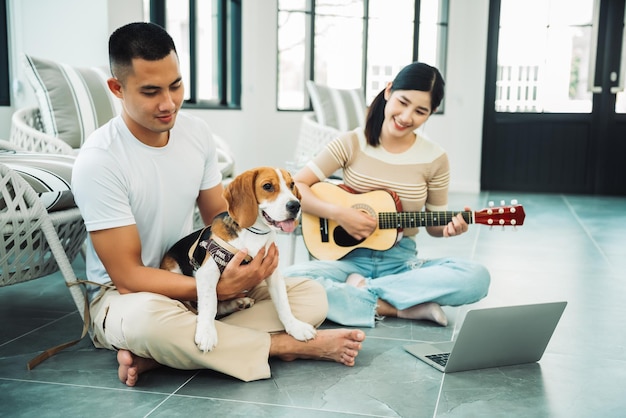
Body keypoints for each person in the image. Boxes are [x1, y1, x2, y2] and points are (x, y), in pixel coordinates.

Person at [71, 22, 364, 387]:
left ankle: (166, 357)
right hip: (130, 298)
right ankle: (279, 345)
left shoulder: (195, 133)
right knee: (149, 323)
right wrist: (216, 290)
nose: (168, 103)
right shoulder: (100, 160)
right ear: (117, 88)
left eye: (176, 85)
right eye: (150, 91)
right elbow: (128, 278)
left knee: (311, 296)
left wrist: (247, 269)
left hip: (200, 273)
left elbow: (220, 223)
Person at [283, 62, 490, 328]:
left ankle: (362, 293)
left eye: (420, 111)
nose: (406, 117)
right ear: (389, 90)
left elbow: (435, 225)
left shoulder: (435, 158)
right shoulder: (352, 142)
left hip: (401, 263)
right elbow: (296, 185)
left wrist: (451, 227)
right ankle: (397, 307)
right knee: (285, 282)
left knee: (476, 277)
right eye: (403, 102)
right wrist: (341, 214)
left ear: (432, 112)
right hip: (345, 261)